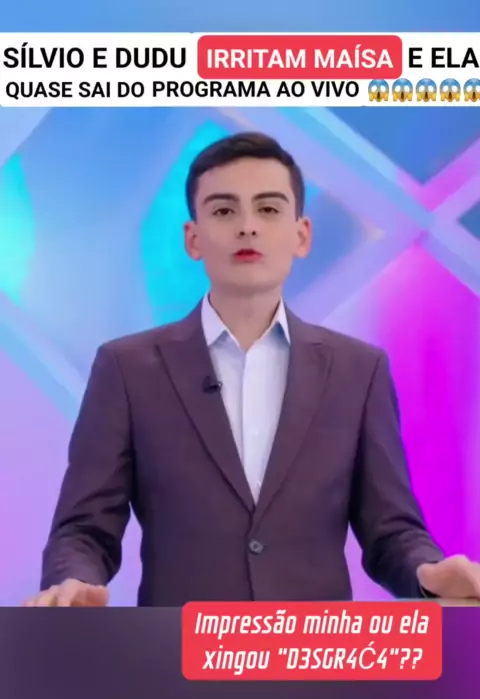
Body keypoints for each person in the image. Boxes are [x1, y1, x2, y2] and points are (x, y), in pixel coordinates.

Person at [26, 131, 480, 606]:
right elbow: (84, 529)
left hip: (317, 647)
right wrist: (71, 581)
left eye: (268, 209)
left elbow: (391, 530)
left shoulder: (358, 372)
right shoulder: (127, 369)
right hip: (179, 647)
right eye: (225, 211)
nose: (247, 227)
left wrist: (428, 572)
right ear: (193, 238)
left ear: (302, 235)